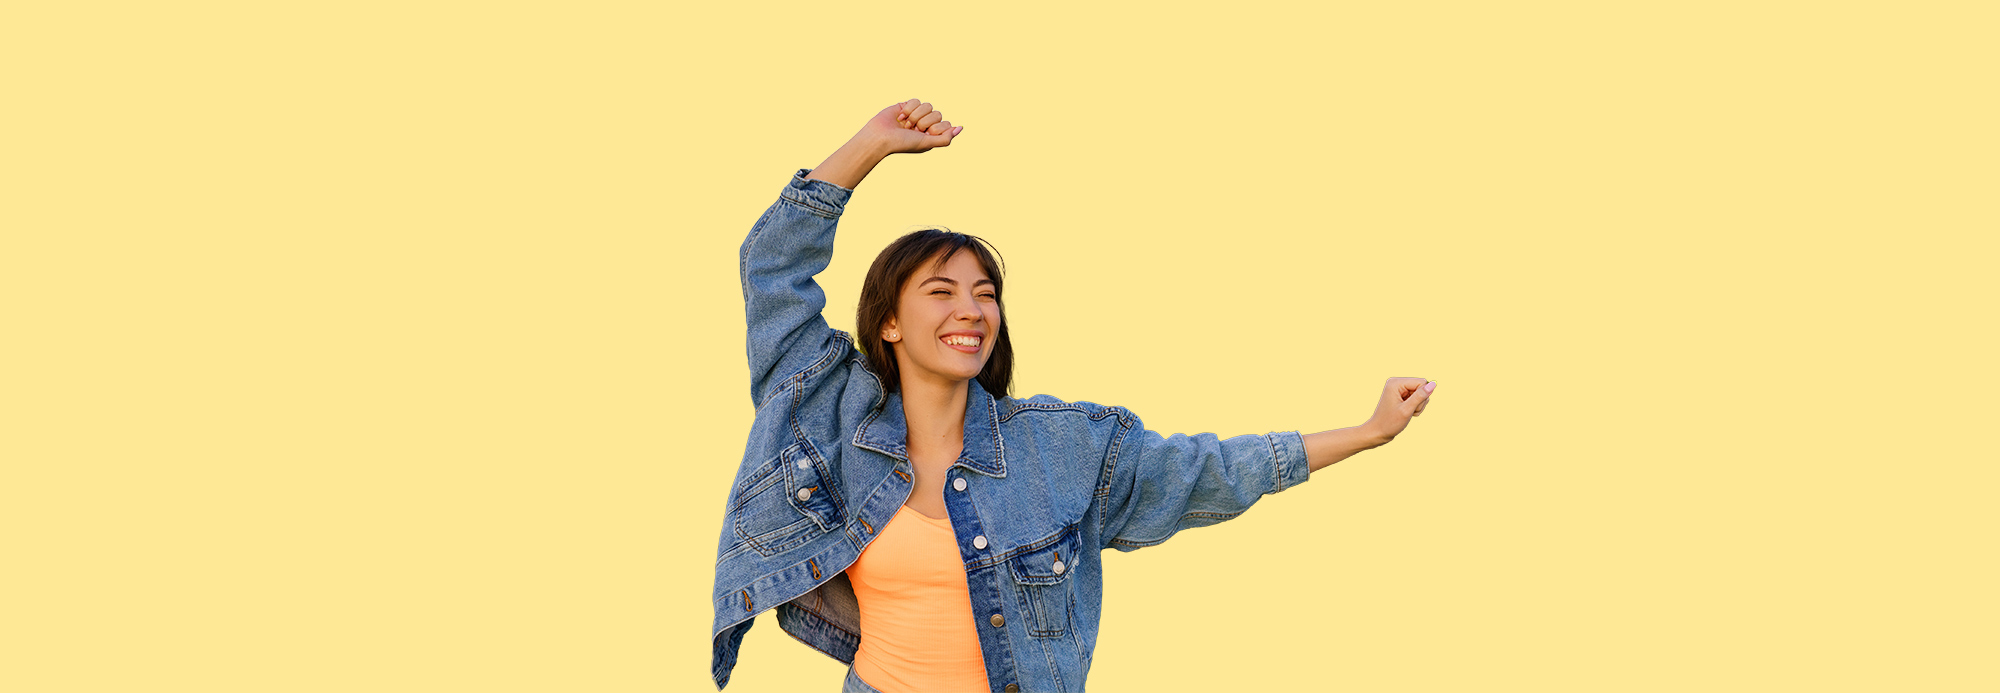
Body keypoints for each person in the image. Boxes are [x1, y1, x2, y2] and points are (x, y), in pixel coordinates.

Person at [711, 98, 1439, 693]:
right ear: (891, 322)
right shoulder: (829, 412)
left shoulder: (1059, 446)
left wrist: (1367, 431)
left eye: (985, 295)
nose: (971, 310)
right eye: (942, 292)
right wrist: (869, 145)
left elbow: (1208, 471)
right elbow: (770, 269)